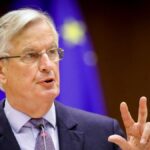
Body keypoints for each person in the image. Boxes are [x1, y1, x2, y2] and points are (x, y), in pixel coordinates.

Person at [0, 8, 149, 150]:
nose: (47, 65)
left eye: (52, 52)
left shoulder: (103, 134)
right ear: (2, 71)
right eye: (31, 55)